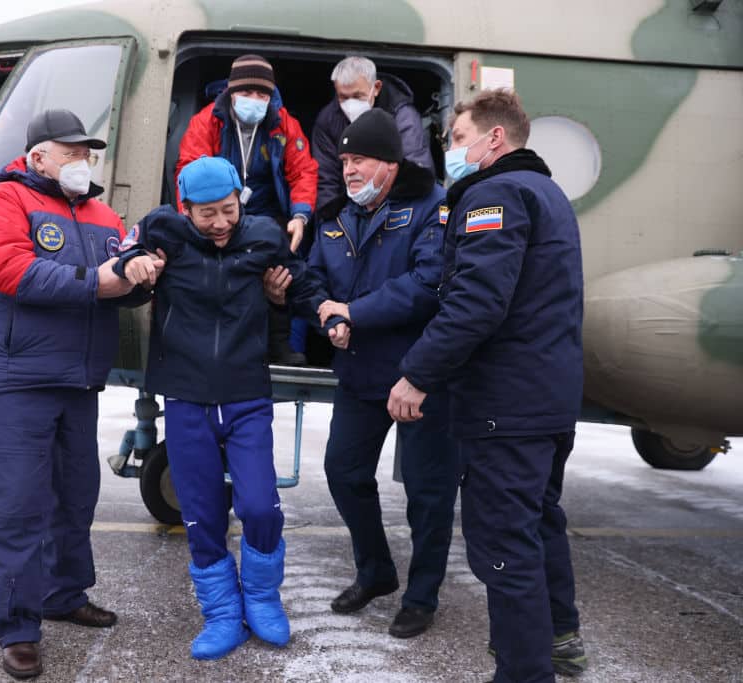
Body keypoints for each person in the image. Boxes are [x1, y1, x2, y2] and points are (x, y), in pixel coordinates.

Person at [388, 89, 587, 682]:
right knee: (538, 524)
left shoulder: (495, 194)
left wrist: (418, 374)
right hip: (546, 401)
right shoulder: (548, 194)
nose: (451, 150)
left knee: (504, 546)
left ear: (493, 138)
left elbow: (477, 302)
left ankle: (524, 672)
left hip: (507, 405)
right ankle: (559, 641)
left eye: (456, 138)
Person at [114, 156, 345, 661]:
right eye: (206, 214)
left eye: (227, 210)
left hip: (245, 394)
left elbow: (301, 285)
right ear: (185, 208)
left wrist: (326, 314)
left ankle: (261, 598)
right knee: (200, 513)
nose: (219, 223)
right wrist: (131, 268)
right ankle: (221, 613)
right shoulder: (161, 231)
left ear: (240, 199)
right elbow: (123, 271)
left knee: (260, 505)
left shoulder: (263, 236)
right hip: (186, 394)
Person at [0, 108, 149, 679]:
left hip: (78, 382)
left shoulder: (100, 213)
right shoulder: (3, 203)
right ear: (37, 156)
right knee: (18, 506)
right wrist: (98, 280)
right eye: (70, 152)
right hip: (20, 380)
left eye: (87, 153)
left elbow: (114, 291)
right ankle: (18, 629)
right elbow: (8, 270)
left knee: (74, 498)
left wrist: (140, 277)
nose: (82, 162)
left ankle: (64, 595)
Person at [273, 109, 460, 639]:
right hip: (360, 372)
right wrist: (325, 313)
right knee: (344, 473)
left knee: (429, 491)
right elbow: (308, 279)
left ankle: (422, 596)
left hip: (422, 372)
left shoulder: (435, 209)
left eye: (360, 160)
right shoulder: (334, 218)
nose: (349, 169)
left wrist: (353, 313)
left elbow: (429, 285)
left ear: (392, 163)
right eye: (346, 160)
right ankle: (375, 570)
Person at [176, 54, 318, 365]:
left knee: (283, 270)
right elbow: (189, 169)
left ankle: (281, 346)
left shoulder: (284, 124)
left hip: (267, 213)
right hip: (219, 210)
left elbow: (303, 171)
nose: (255, 100)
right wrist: (196, 219)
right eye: (246, 93)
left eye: (262, 94)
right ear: (230, 91)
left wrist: (299, 216)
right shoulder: (206, 121)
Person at [312, 56, 434, 218]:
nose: (350, 104)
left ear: (376, 88)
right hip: (348, 208)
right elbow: (326, 179)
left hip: (396, 208)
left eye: (357, 96)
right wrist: (332, 221)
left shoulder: (403, 117)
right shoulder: (328, 120)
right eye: (343, 97)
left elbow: (416, 172)